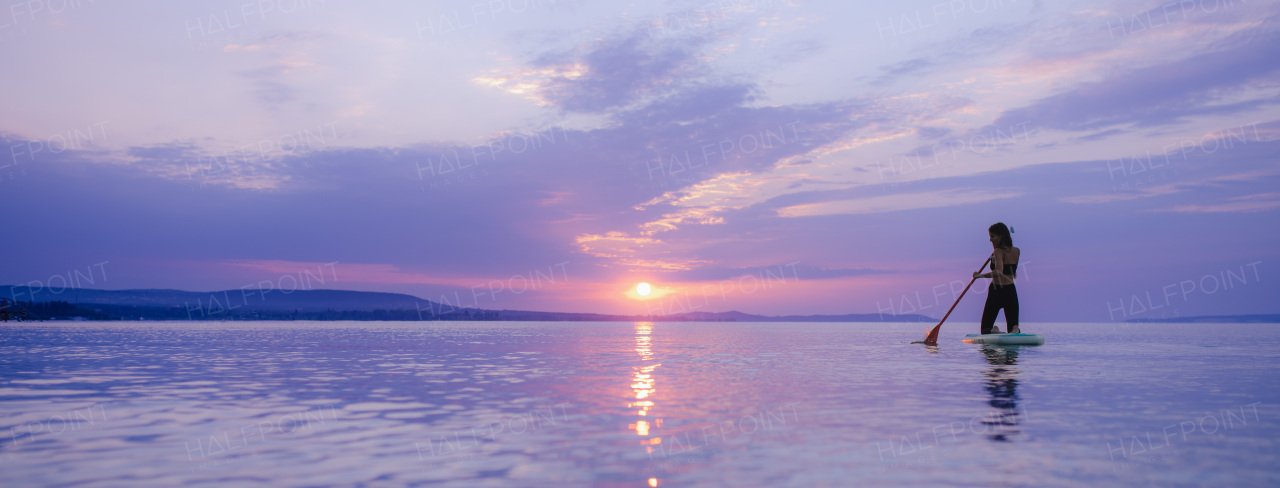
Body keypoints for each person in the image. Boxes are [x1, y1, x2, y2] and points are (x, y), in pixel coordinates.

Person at [974, 222, 1020, 334]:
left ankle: (995, 331)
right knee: (1012, 327)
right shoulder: (1017, 251)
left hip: (996, 291)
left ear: (1001, 236)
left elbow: (998, 272)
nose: (990, 240)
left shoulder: (998, 252)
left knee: (985, 330)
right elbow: (1011, 272)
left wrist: (979, 276)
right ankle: (1015, 329)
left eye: (992, 236)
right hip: (1011, 291)